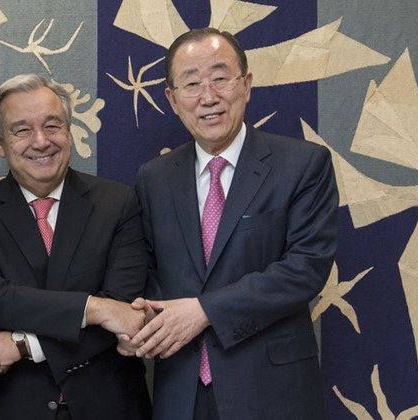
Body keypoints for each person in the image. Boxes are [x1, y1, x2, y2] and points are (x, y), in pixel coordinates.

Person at [123, 28, 338, 419]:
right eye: (191, 83)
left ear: (247, 85)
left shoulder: (303, 164)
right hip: (181, 391)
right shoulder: (153, 178)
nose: (208, 97)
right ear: (172, 99)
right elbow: (150, 271)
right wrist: (141, 319)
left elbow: (305, 268)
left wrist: (204, 311)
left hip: (272, 391)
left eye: (221, 78)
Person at [0, 74, 152, 420]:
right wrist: (95, 309)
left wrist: (23, 345)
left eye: (52, 125)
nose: (41, 141)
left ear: (69, 131)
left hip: (108, 404)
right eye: (22, 130)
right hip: (11, 407)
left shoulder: (119, 203)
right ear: (1, 143)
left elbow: (125, 310)